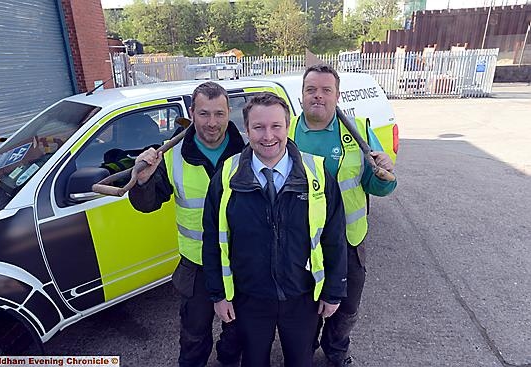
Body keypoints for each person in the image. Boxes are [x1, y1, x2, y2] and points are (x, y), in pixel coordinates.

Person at [202, 92, 348, 367]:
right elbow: (212, 240)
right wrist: (219, 295)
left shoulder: (316, 173)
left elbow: (334, 237)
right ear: (247, 130)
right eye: (258, 127)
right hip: (250, 298)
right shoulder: (226, 176)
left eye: (275, 126)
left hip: (302, 298)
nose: (268, 136)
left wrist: (333, 291)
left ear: (288, 126)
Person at [129, 81, 245, 367]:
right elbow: (147, 204)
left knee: (238, 331)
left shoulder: (248, 151)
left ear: (229, 112)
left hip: (241, 262)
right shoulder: (171, 155)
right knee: (194, 338)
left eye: (219, 113)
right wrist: (142, 182)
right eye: (204, 114)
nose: (212, 122)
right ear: (192, 112)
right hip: (197, 267)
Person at [288, 64, 397, 367]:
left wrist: (386, 174)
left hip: (350, 240)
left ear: (337, 95)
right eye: (311, 90)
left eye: (326, 90)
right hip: (303, 242)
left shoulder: (359, 132)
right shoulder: (288, 132)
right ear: (302, 96)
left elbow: (379, 185)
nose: (318, 96)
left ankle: (336, 349)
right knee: (305, 305)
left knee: (347, 306)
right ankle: (304, 348)